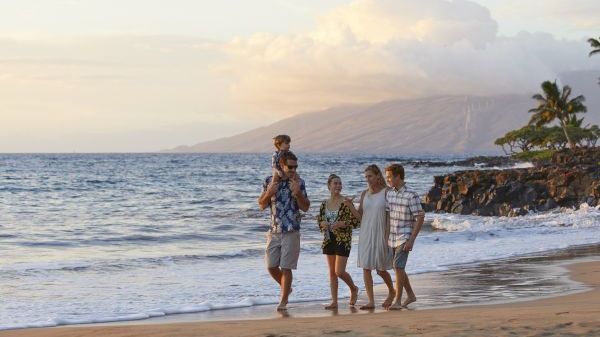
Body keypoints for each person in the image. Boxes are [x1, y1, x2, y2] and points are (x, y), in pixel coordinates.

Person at [257, 151, 310, 311]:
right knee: (271, 266)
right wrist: (269, 193)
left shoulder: (299, 182)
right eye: (290, 166)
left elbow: (306, 207)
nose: (293, 170)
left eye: (296, 167)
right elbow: (261, 205)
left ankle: (283, 300)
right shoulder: (269, 181)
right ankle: (287, 288)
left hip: (292, 230)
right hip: (274, 230)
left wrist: (298, 193)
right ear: (281, 165)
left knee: (286, 268)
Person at [346, 164, 395, 310]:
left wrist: (388, 237)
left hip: (381, 232)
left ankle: (392, 292)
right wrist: (350, 206)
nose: (367, 179)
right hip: (366, 233)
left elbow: (391, 216)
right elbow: (360, 216)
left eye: (370, 176)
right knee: (366, 267)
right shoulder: (364, 194)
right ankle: (371, 301)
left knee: (380, 269)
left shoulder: (387, 192)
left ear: (378, 176)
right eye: (366, 177)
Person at [384, 164, 425, 310]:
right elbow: (389, 216)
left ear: (398, 176)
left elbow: (420, 217)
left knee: (397, 266)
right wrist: (385, 237)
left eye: (389, 177)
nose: (387, 180)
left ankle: (398, 301)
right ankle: (411, 295)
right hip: (392, 237)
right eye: (387, 177)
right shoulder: (389, 193)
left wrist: (411, 240)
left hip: (405, 236)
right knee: (398, 268)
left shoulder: (411, 195)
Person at [317, 174, 360, 309]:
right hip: (329, 239)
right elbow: (319, 220)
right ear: (329, 186)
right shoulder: (324, 204)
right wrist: (322, 223)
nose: (338, 186)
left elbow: (357, 221)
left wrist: (343, 224)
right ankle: (334, 302)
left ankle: (353, 288)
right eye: (335, 183)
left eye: (340, 184)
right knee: (332, 272)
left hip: (343, 240)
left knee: (339, 271)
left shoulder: (346, 202)